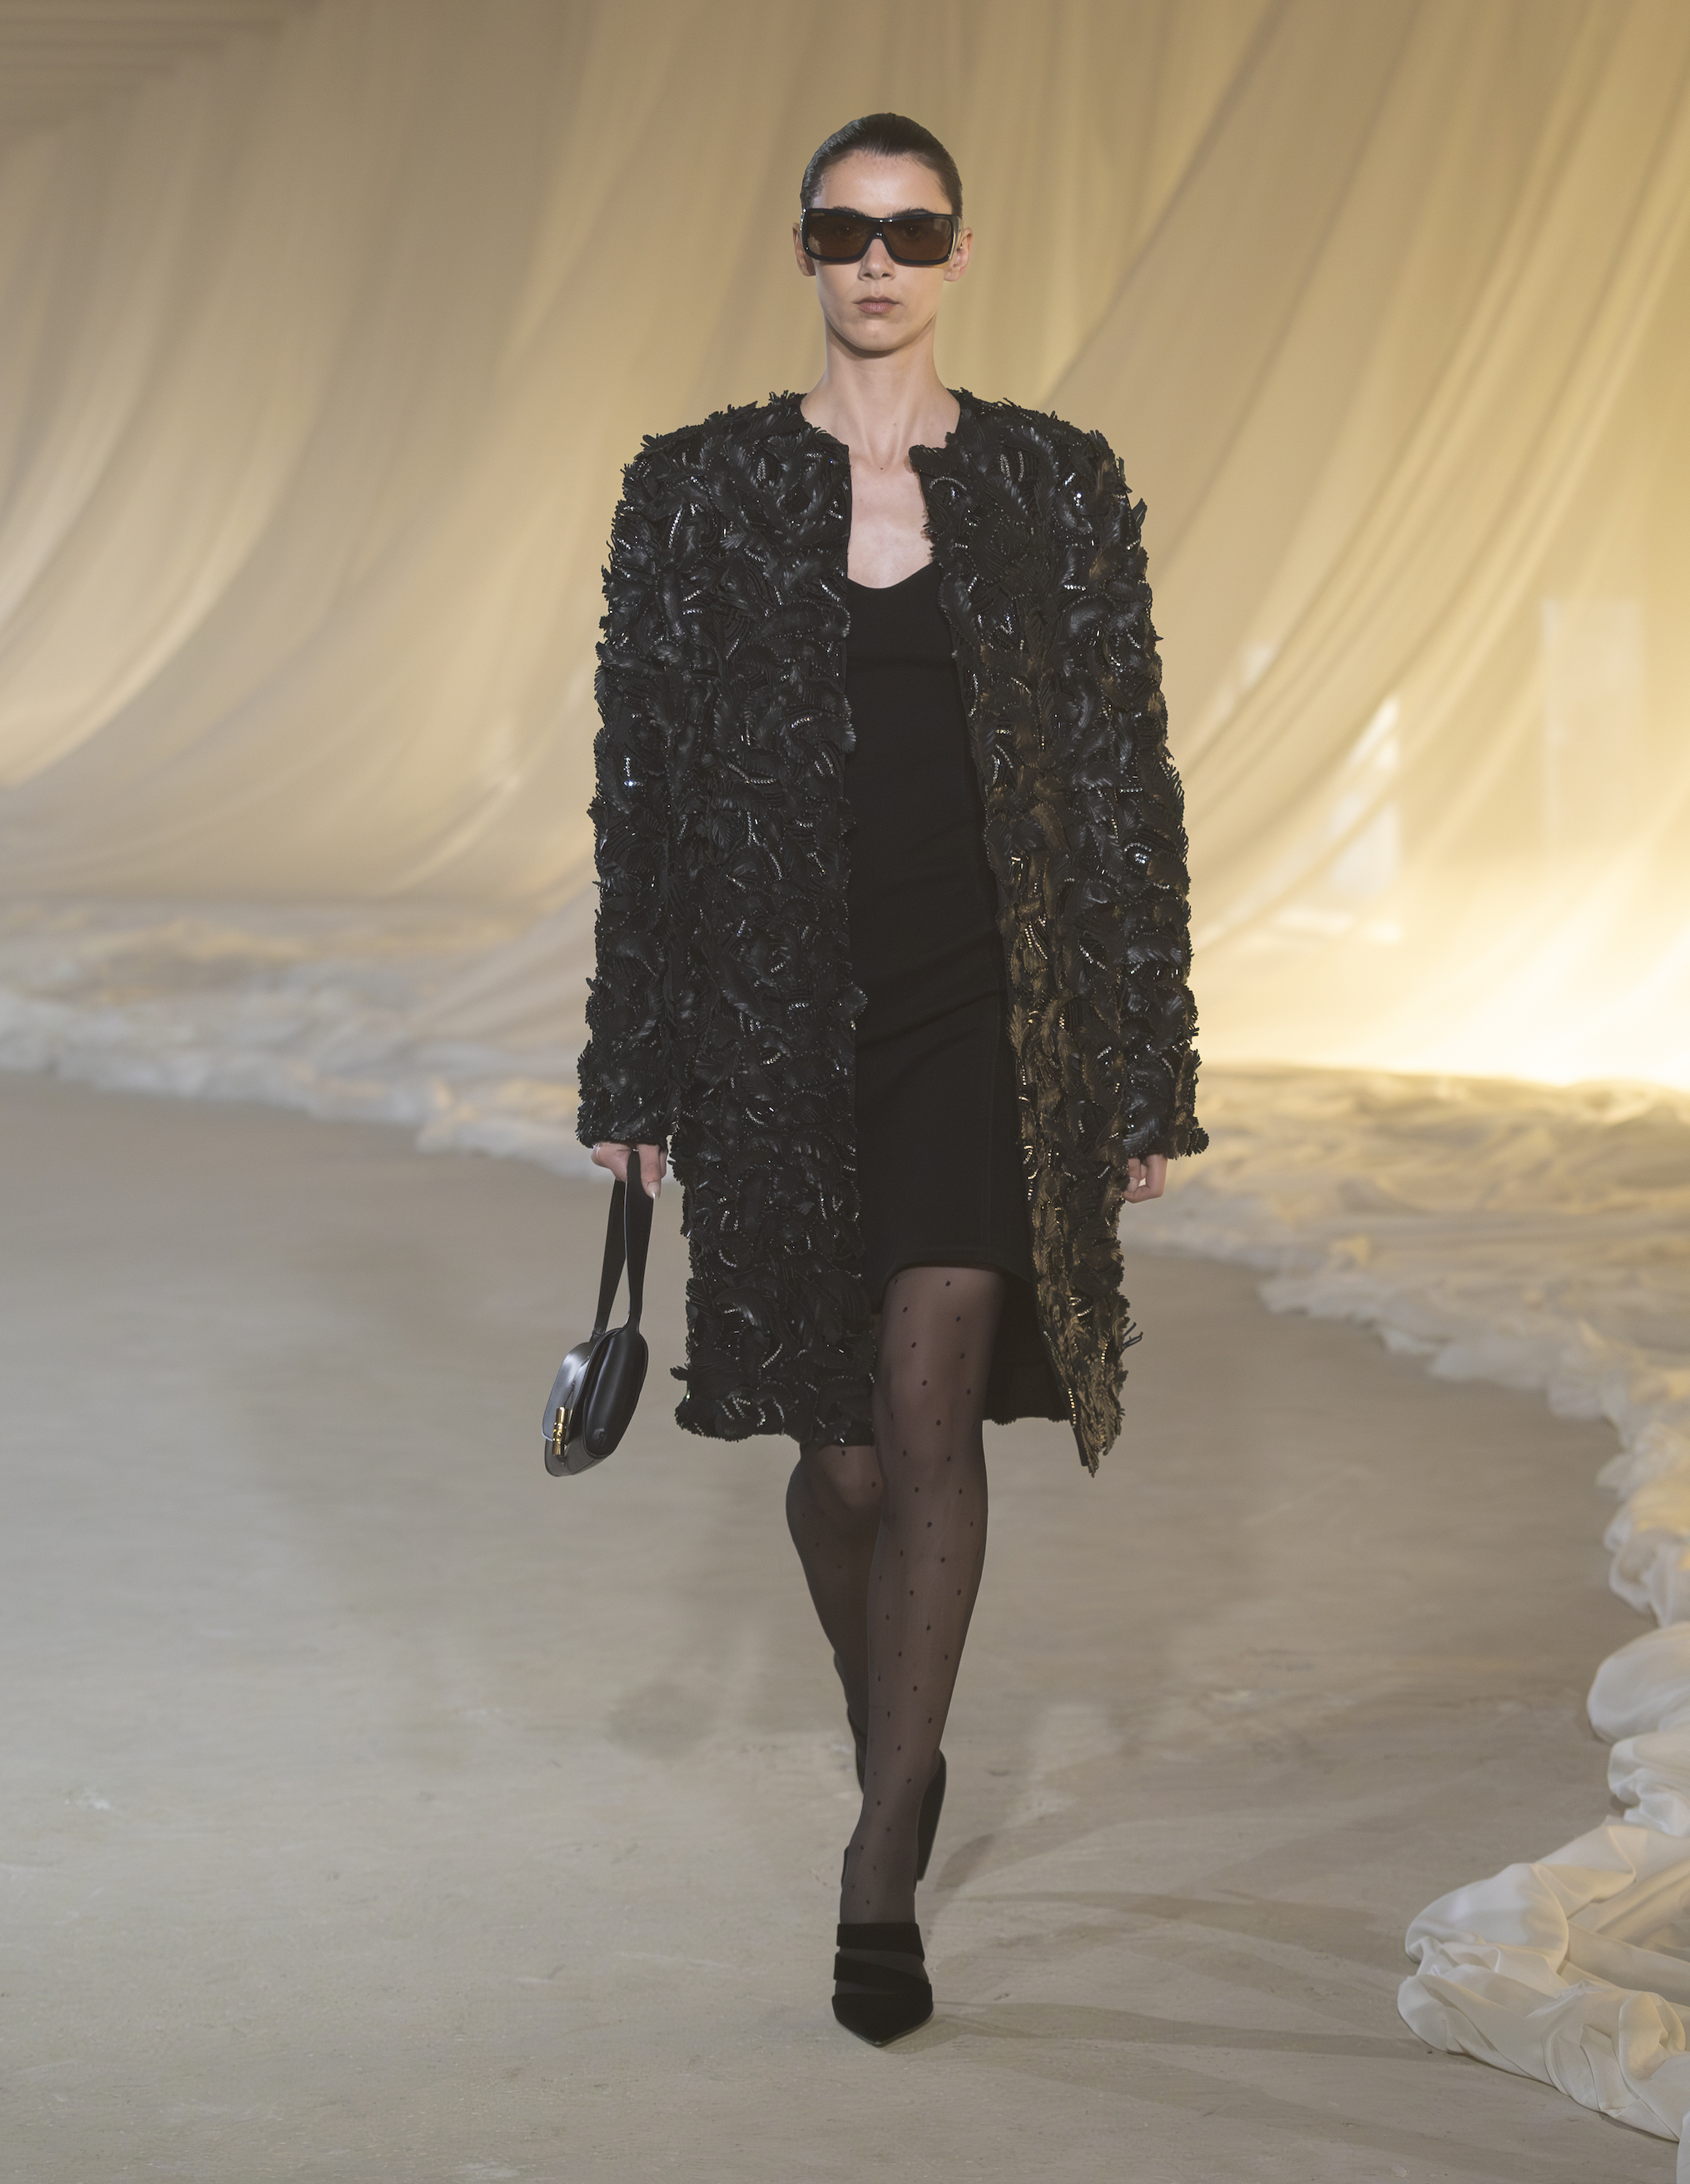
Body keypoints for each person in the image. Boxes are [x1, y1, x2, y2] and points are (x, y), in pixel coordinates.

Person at [577, 111, 1205, 2044]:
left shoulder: (1051, 482)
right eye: (847, 230)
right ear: (804, 250)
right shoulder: (696, 491)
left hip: (988, 1006)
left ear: (956, 254)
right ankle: (897, 1731)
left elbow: (1123, 776)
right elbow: (643, 789)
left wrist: (1145, 1061)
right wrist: (633, 1054)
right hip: (777, 1017)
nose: (879, 261)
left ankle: (880, 1857)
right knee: (839, 1457)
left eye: (913, 231)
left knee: (930, 1393)